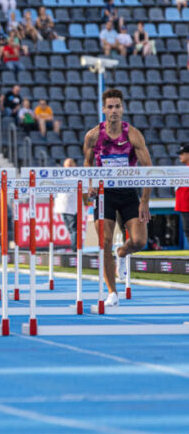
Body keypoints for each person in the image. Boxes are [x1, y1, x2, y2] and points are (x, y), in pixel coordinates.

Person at [82, 89, 153, 307]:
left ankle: (121, 252)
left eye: (117, 106)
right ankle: (112, 292)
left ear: (122, 109)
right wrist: (91, 184)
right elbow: (87, 163)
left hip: (129, 192)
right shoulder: (93, 136)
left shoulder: (132, 135)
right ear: (103, 110)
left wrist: (144, 201)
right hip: (105, 194)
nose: (114, 111)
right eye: (110, 107)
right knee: (104, 242)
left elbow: (148, 168)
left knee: (140, 241)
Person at [53, 158, 80, 250]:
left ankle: (75, 248)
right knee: (72, 229)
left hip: (68, 207)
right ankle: (75, 249)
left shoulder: (69, 176)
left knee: (72, 229)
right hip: (67, 207)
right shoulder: (69, 175)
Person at [177, 144, 189, 249]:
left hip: (187, 206)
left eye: (182, 153)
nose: (180, 156)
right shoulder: (184, 170)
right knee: (187, 231)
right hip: (184, 207)